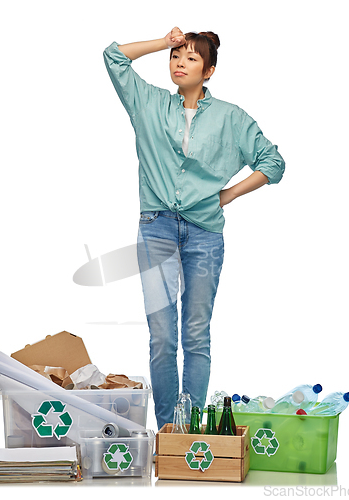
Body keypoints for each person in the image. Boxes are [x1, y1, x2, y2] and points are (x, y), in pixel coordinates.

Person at [103, 27, 285, 430]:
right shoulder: (148, 103)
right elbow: (113, 56)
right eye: (175, 56)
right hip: (157, 228)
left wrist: (229, 194)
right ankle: (169, 432)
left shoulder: (231, 118)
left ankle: (193, 432)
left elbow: (273, 163)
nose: (179, 63)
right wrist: (163, 42)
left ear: (210, 70)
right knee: (162, 336)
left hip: (205, 234)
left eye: (190, 58)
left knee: (196, 334)